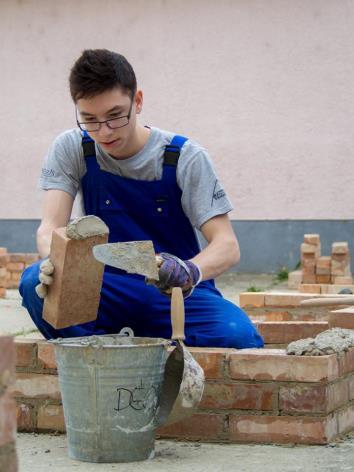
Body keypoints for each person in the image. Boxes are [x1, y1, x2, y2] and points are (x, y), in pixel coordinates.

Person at [20, 49, 263, 348]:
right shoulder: (72, 147)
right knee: (34, 283)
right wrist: (55, 260)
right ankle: (98, 361)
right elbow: (50, 227)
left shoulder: (184, 156)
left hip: (172, 293)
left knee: (239, 335)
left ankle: (136, 346)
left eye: (115, 116)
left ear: (138, 101)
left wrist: (189, 270)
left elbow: (227, 246)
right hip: (103, 289)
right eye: (90, 120)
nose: (104, 132)